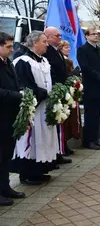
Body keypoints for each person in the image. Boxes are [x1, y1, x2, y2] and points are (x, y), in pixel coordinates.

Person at [12, 31, 59, 185]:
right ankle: (27, 173)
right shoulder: (23, 61)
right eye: (44, 41)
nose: (47, 44)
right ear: (34, 43)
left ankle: (39, 170)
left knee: (43, 138)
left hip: (45, 107)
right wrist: (45, 93)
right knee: (31, 139)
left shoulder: (44, 60)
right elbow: (26, 85)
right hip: (34, 108)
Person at [0, 32, 25, 206]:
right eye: (8, 47)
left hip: (10, 116)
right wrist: (17, 95)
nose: (12, 49)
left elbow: (16, 83)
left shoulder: (8, 63)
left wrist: (23, 91)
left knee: (6, 155)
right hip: (1, 116)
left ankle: (5, 187)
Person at [77, 26, 100, 150]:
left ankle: (95, 139)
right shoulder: (82, 49)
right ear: (87, 36)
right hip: (90, 86)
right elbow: (85, 68)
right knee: (90, 115)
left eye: (97, 34)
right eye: (93, 34)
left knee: (96, 114)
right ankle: (88, 140)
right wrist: (99, 76)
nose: (96, 35)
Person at [44, 27, 71, 164]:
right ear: (47, 37)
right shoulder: (47, 52)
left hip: (60, 91)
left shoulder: (56, 51)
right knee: (55, 123)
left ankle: (60, 151)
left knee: (60, 123)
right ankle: (56, 154)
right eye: (56, 35)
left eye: (60, 35)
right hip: (54, 91)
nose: (60, 37)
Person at [59, 40, 82, 154]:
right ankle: (63, 144)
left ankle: (65, 143)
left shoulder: (69, 60)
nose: (68, 49)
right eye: (66, 47)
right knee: (65, 120)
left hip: (71, 93)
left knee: (68, 119)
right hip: (65, 94)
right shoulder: (63, 61)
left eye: (68, 47)